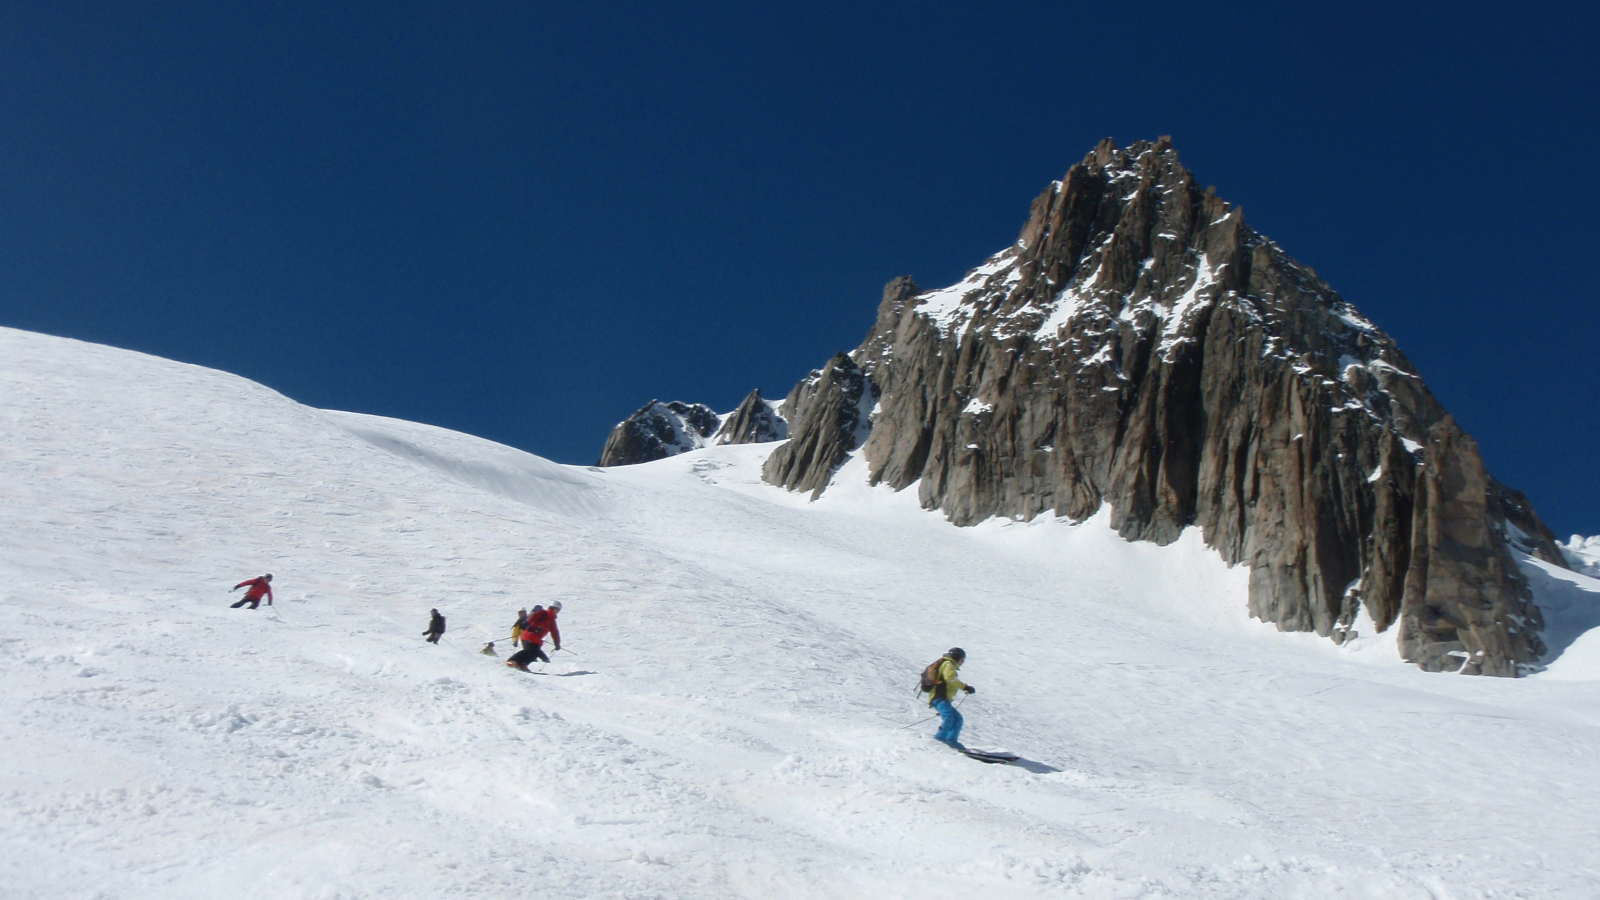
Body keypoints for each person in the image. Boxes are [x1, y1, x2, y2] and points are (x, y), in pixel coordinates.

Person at [925, 647, 976, 749]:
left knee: (958, 719)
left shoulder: (949, 664)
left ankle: (951, 740)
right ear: (957, 658)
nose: (962, 662)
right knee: (948, 718)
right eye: (962, 660)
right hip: (939, 697)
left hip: (942, 698)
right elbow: (950, 679)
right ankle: (939, 740)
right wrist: (965, 687)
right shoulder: (948, 665)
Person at [505, 601, 562, 671]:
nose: (557, 611)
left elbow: (555, 633)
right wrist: (535, 627)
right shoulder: (542, 613)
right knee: (530, 650)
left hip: (536, 639)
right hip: (529, 635)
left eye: (558, 610)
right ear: (552, 608)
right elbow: (531, 619)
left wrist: (557, 644)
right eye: (556, 609)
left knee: (535, 653)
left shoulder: (552, 621)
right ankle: (511, 660)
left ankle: (522, 663)